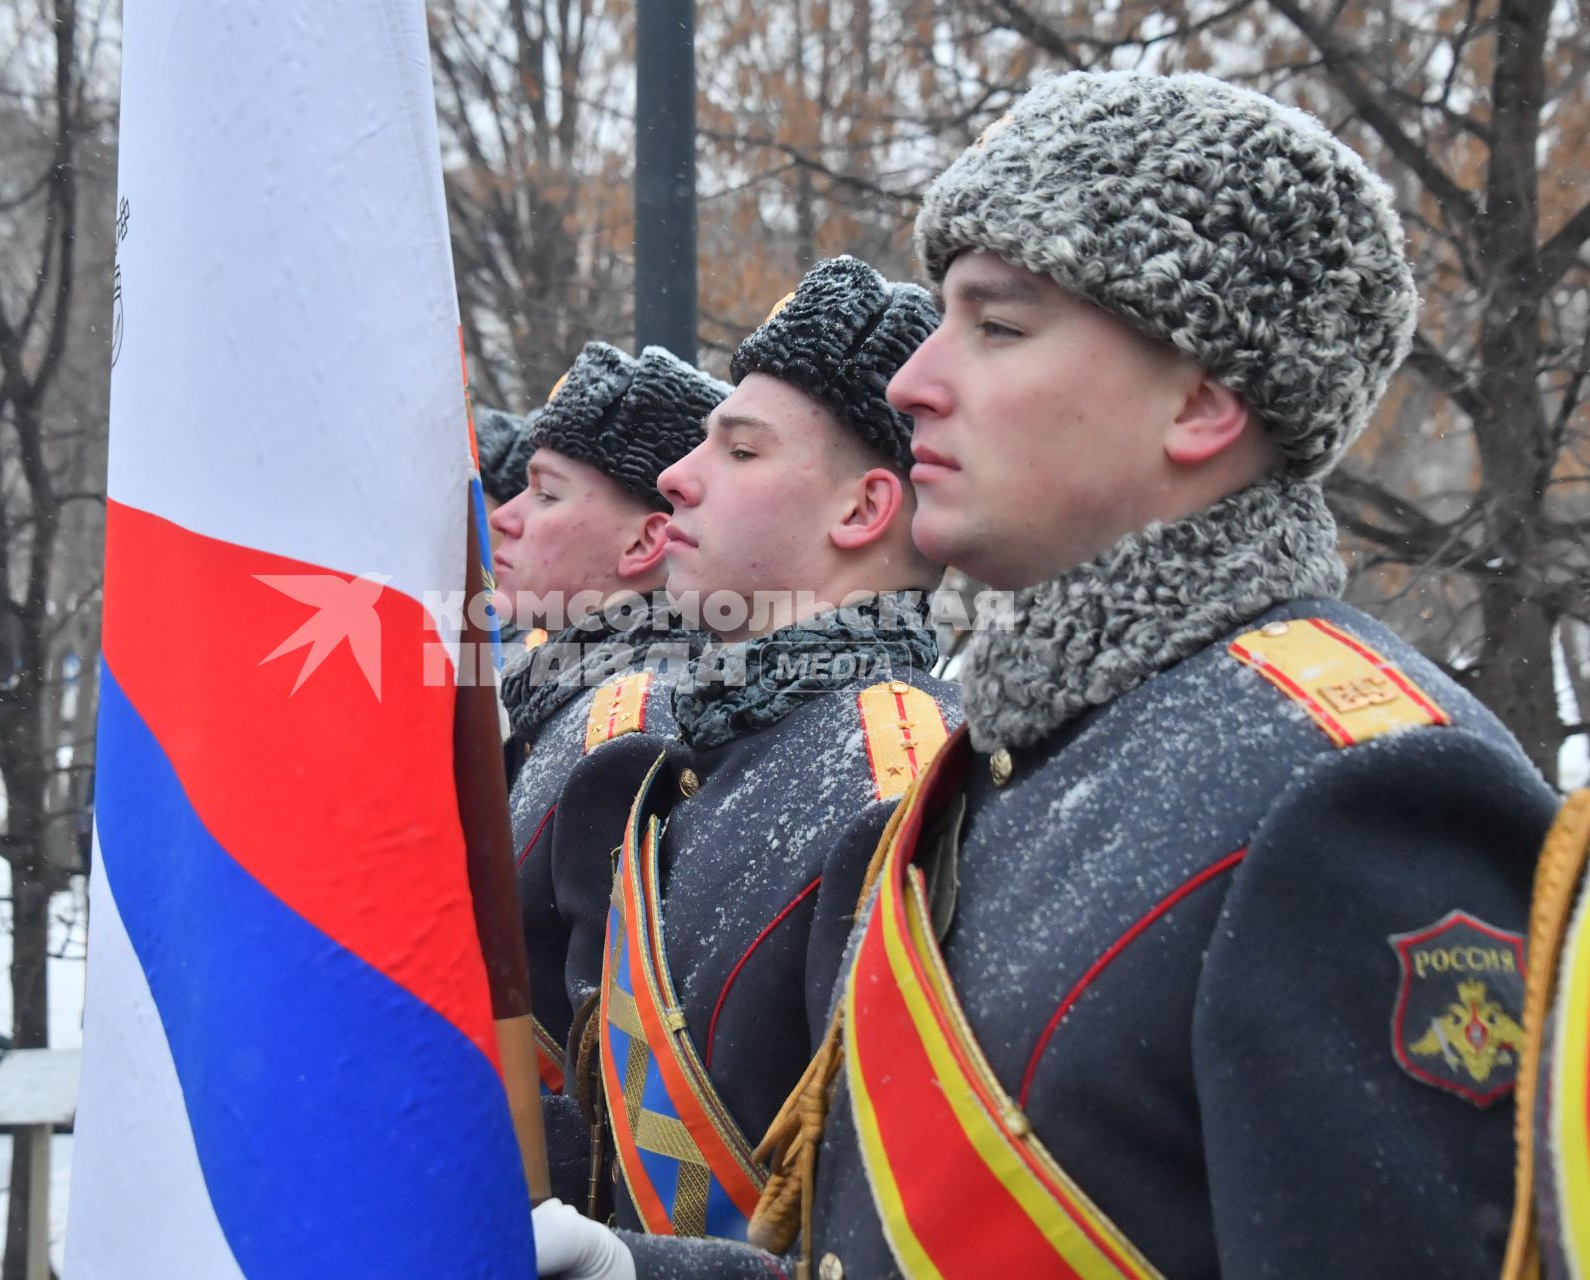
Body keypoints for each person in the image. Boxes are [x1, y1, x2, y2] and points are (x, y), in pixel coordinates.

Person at [535, 70, 1560, 1280]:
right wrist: (635, 1269)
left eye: (998, 324)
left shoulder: (1359, 788)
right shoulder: (1029, 755)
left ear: (1202, 399)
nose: (916, 382)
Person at [544, 257, 960, 1251]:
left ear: (862, 511)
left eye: (738, 449)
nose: (679, 476)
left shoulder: (897, 771)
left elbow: (888, 1229)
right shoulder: (687, 763)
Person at [493, 342, 729, 1098]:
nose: (505, 518)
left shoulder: (630, 723)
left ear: (644, 541)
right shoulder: (566, 704)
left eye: (546, 494)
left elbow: (606, 1079)